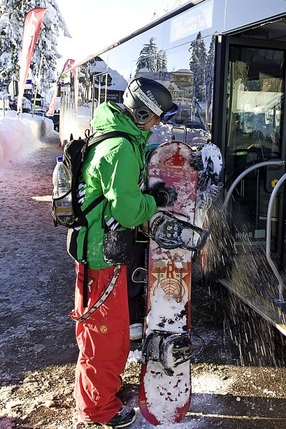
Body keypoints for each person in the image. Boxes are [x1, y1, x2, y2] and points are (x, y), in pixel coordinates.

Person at [70, 77, 178, 428]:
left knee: (111, 333)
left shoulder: (123, 138)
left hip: (103, 251)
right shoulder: (120, 148)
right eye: (156, 116)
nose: (158, 124)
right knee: (103, 336)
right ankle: (96, 409)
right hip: (100, 256)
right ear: (142, 111)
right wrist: (156, 200)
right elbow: (128, 210)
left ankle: (100, 393)